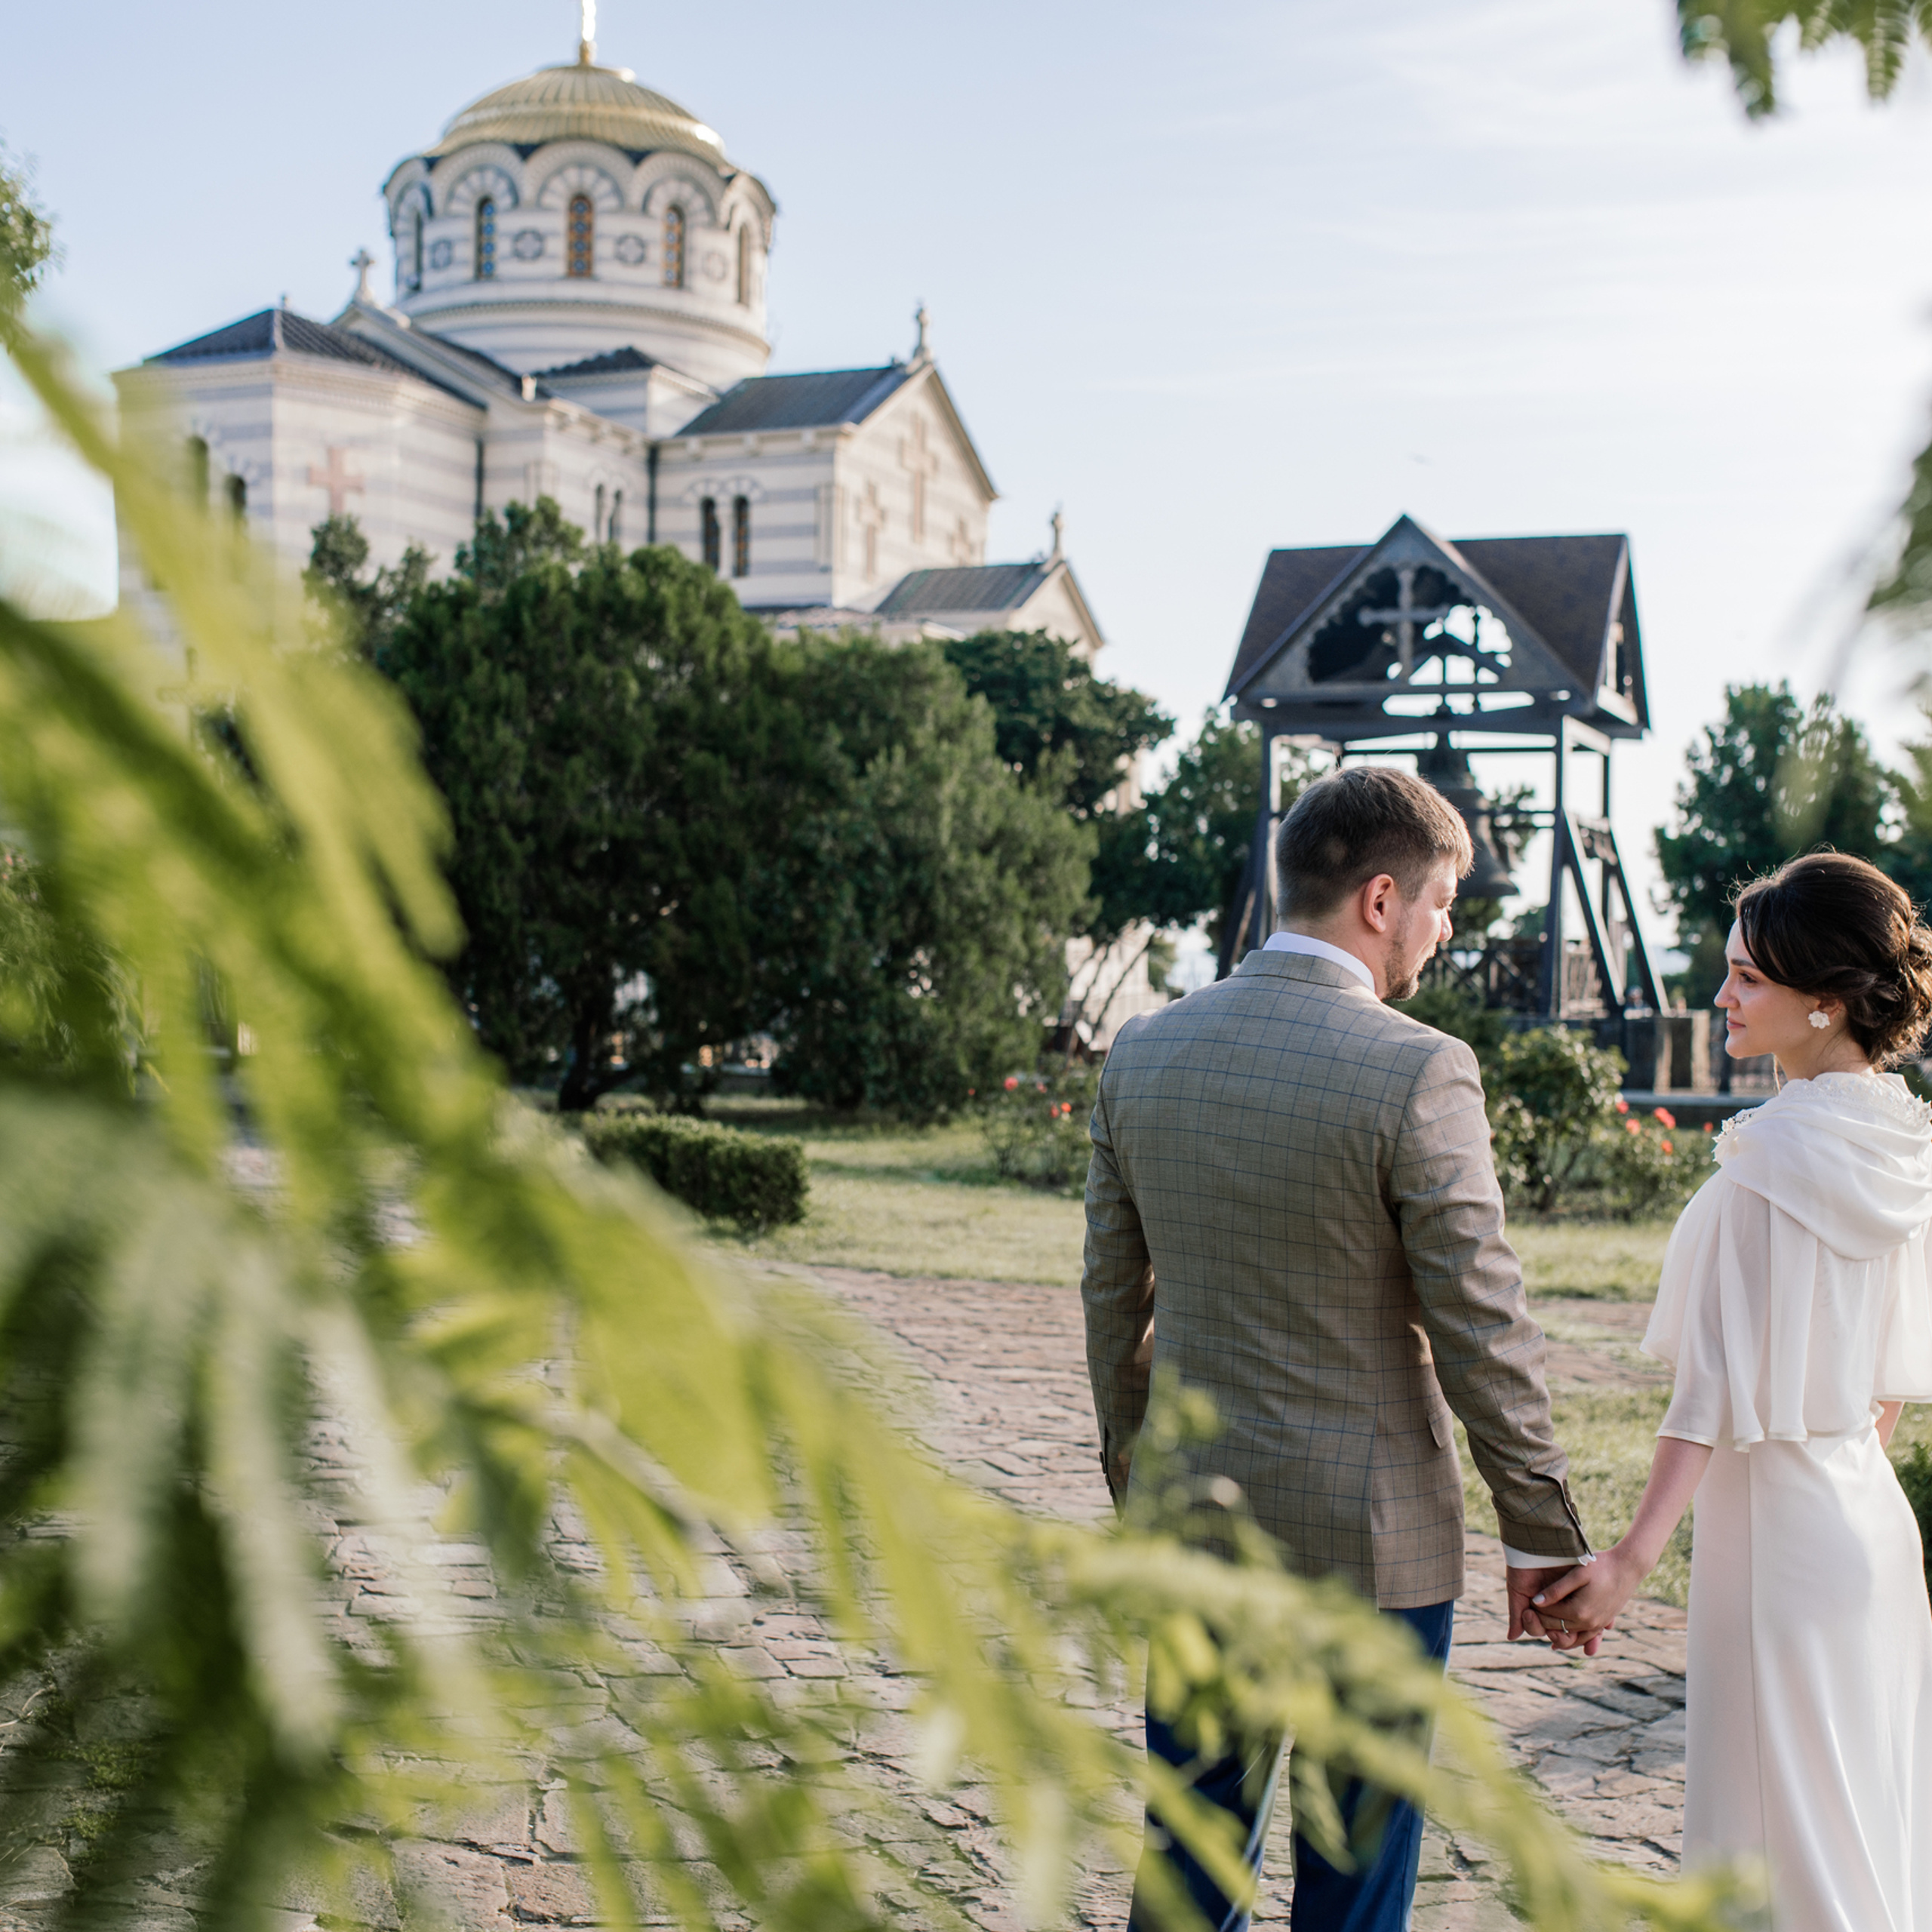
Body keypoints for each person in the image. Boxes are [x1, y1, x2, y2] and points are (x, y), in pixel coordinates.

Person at [1081, 764, 1592, 1932]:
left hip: (1197, 1523)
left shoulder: (1143, 1052)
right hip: (1373, 1547)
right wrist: (1540, 1530)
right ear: (1381, 899)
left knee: (1188, 1858)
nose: (1445, 931)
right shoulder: (1415, 1067)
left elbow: (1113, 1300)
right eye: (1442, 903)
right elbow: (1482, 1325)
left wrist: (1137, 1477)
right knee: (1355, 1886)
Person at [1532, 851, 1932, 1929]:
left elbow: (1708, 1397)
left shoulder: (1761, 1169)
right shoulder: (1902, 1149)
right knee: (1856, 1824)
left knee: (1775, 1847)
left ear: (1826, 1000)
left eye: (1748, 977)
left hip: (1779, 1545)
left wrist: (1630, 1561)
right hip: (1868, 1524)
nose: (1721, 997)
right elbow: (1889, 1389)